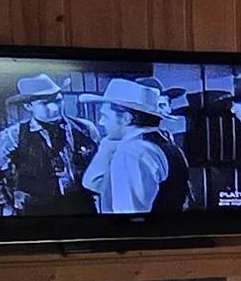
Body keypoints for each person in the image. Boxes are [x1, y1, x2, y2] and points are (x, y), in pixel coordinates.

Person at [0, 73, 99, 216]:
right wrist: (6, 207)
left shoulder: (85, 129)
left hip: (82, 210)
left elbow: (103, 167)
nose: (55, 108)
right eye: (45, 103)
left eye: (58, 100)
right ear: (28, 106)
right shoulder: (12, 135)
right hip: (35, 214)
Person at [80, 77, 189, 216]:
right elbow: (95, 183)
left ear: (126, 118)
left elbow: (129, 217)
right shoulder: (165, 146)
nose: (101, 122)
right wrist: (109, 143)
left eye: (105, 116)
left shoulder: (132, 152)